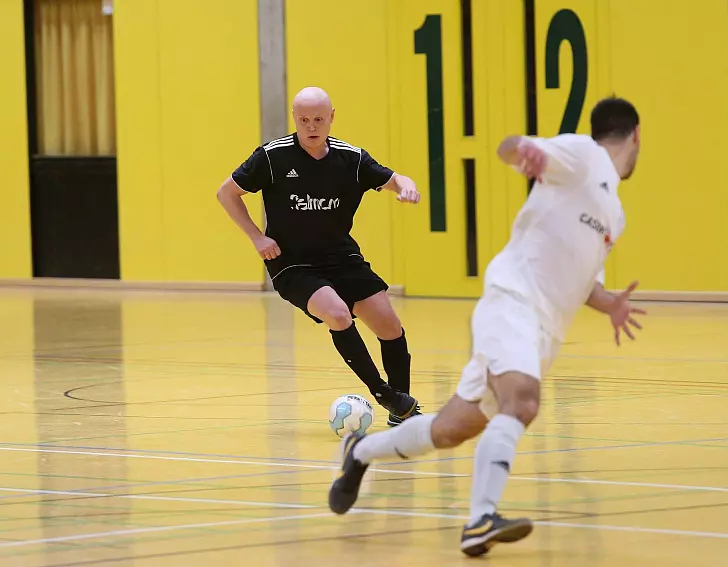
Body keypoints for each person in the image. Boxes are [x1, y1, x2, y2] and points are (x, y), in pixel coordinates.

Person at [327, 97, 646, 556]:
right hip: (512, 302)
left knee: (449, 430)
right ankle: (480, 520)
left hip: (543, 331)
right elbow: (509, 146)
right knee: (523, 401)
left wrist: (610, 302)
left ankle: (360, 452)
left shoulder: (615, 212)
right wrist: (524, 151)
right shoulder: (583, 153)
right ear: (635, 135)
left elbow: (585, 283)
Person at [216, 87, 422, 425]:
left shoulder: (351, 158)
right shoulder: (272, 157)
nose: (311, 127)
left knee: (389, 326)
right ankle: (383, 393)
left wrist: (406, 187)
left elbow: (396, 178)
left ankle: (402, 414)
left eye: (318, 119)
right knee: (338, 314)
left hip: (341, 257)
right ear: (294, 118)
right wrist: (257, 237)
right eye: (304, 120)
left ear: (331, 118)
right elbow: (226, 193)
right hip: (291, 262)